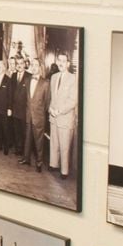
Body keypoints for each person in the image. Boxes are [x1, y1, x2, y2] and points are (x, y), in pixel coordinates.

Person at [48, 52, 77, 180]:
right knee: (54, 143)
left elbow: (73, 101)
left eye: (63, 61)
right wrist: (50, 109)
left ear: (68, 64)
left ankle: (64, 171)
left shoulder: (73, 78)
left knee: (65, 146)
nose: (60, 63)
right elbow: (52, 97)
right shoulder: (54, 77)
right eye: (59, 60)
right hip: (53, 117)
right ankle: (53, 164)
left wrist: (59, 111)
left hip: (65, 118)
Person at [23, 58, 50, 171]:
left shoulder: (45, 83)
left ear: (40, 67)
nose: (33, 67)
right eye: (32, 65)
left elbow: (47, 102)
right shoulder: (27, 80)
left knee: (39, 141)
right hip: (28, 115)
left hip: (39, 117)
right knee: (27, 138)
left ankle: (39, 163)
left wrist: (40, 114)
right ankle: (26, 159)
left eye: (36, 65)